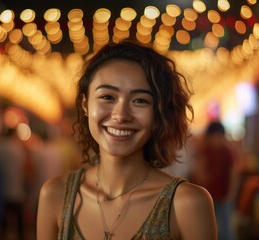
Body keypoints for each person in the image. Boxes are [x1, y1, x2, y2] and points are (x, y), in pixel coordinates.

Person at [37, 40, 217, 240]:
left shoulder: (187, 203)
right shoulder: (55, 195)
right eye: (107, 97)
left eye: (140, 101)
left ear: (158, 112)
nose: (121, 115)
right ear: (86, 104)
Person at [191, 121, 239, 240]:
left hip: (224, 196)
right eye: (213, 136)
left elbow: (233, 174)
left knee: (226, 228)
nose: (216, 139)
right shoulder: (204, 151)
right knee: (210, 228)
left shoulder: (227, 152)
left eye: (218, 136)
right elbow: (200, 173)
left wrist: (231, 194)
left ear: (223, 136)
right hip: (208, 197)